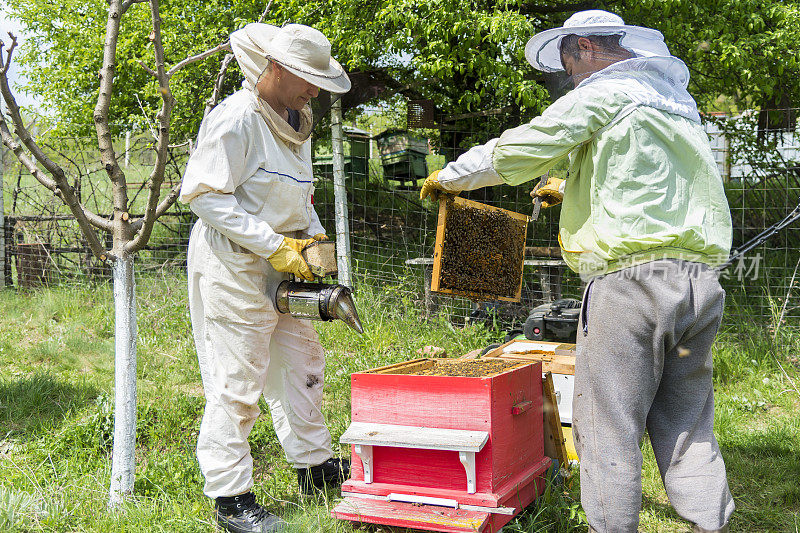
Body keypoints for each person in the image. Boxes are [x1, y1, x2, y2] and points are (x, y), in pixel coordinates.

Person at [420, 10, 734, 533]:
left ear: (586, 46)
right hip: (698, 284)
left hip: (632, 285)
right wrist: (574, 189)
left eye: (569, 65)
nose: (570, 78)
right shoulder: (676, 105)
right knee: (687, 419)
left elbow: (523, 145)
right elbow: (658, 183)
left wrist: (451, 176)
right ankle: (710, 523)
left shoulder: (606, 91)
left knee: (607, 422)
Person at [179, 23, 351, 533]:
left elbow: (299, 198)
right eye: (306, 78)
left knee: (303, 365)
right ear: (274, 69)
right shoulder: (235, 120)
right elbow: (205, 196)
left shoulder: (295, 121)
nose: (314, 89)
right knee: (238, 383)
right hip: (236, 266)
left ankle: (315, 468)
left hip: (286, 269)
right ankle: (231, 499)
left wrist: (316, 246)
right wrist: (275, 246)